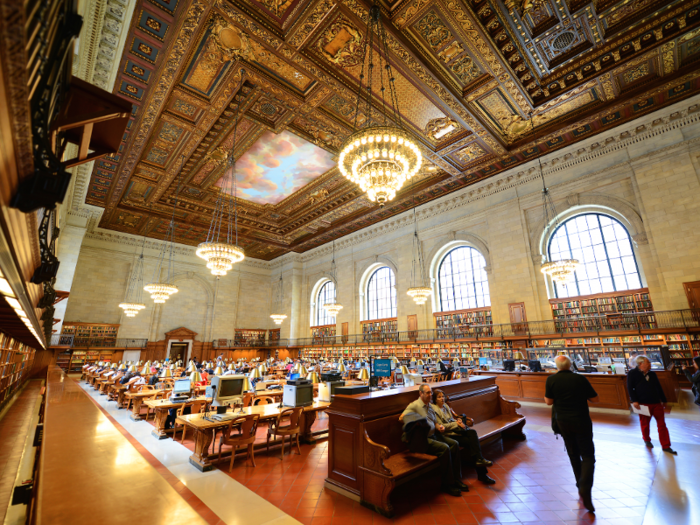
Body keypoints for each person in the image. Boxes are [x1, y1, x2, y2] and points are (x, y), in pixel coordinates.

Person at [545, 355, 599, 513]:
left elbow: (548, 402)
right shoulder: (580, 379)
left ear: (556, 366)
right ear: (570, 365)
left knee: (573, 453)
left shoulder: (551, 380)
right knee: (588, 455)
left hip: (563, 421)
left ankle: (579, 484)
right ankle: (585, 487)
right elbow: (595, 399)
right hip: (581, 420)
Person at [399, 384, 469, 497]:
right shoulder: (415, 405)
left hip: (433, 435)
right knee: (444, 448)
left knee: (454, 444)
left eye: (431, 392)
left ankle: (456, 479)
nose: (430, 395)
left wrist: (439, 427)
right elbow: (401, 418)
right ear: (420, 394)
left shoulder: (429, 405)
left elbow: (434, 422)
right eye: (427, 393)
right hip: (422, 439)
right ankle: (447, 484)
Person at [432, 389, 495, 485]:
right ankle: (482, 473)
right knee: (473, 444)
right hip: (448, 436)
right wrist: (456, 424)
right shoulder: (433, 409)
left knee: (472, 433)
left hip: (455, 431)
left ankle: (480, 461)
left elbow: (451, 419)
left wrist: (459, 422)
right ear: (435, 399)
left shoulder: (445, 406)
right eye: (439, 397)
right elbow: (442, 427)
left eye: (443, 396)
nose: (442, 399)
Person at [627, 355, 676, 454]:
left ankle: (666, 446)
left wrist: (664, 400)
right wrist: (634, 400)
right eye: (648, 362)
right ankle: (646, 439)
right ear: (641, 364)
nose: (650, 364)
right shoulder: (632, 373)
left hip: (656, 403)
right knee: (645, 424)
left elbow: (658, 387)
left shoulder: (652, 374)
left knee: (662, 425)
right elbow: (630, 388)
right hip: (643, 404)